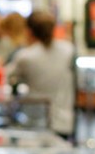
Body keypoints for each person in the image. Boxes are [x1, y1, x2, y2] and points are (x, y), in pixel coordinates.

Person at [5, 10, 76, 140]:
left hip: (36, 122)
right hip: (64, 122)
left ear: (29, 31)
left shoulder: (26, 56)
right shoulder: (68, 50)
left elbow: (7, 76)